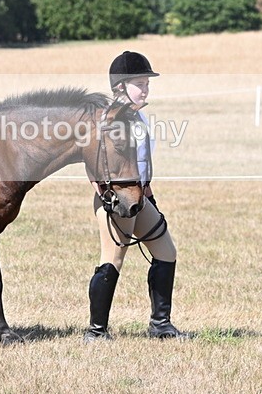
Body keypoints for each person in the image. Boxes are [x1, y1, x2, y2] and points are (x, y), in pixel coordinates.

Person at [84, 51, 186, 341]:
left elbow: (142, 165)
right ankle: (96, 332)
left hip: (139, 197)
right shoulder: (106, 120)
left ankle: (160, 324)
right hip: (116, 200)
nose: (146, 89)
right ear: (120, 87)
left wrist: (150, 199)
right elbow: (91, 163)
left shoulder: (140, 118)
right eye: (139, 83)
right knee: (113, 259)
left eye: (147, 83)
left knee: (166, 252)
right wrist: (104, 195)